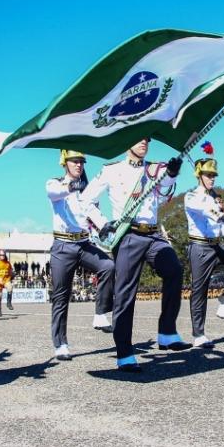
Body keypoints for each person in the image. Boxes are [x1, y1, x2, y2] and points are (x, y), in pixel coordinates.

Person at [81, 138, 186, 372]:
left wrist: (172, 174)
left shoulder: (154, 169)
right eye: (139, 138)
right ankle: (125, 353)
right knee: (126, 294)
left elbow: (162, 194)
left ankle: (167, 332)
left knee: (174, 270)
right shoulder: (112, 170)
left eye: (147, 139)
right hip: (128, 235)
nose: (144, 143)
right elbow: (85, 199)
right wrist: (101, 223)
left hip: (153, 235)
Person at [46, 149, 115, 361]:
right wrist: (71, 187)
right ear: (64, 163)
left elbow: (92, 211)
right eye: (74, 161)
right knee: (61, 296)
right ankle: (61, 343)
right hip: (63, 245)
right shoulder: (55, 182)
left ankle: (101, 314)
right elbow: (54, 194)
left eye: (81, 162)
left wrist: (105, 225)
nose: (79, 165)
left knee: (108, 267)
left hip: (84, 243)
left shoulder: (87, 189)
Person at [184, 146, 224, 349]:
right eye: (208, 175)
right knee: (199, 290)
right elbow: (207, 212)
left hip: (216, 244)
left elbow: (220, 227)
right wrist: (223, 214)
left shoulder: (216, 198)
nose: (212, 178)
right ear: (199, 175)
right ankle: (199, 334)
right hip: (200, 247)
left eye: (214, 175)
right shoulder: (192, 196)